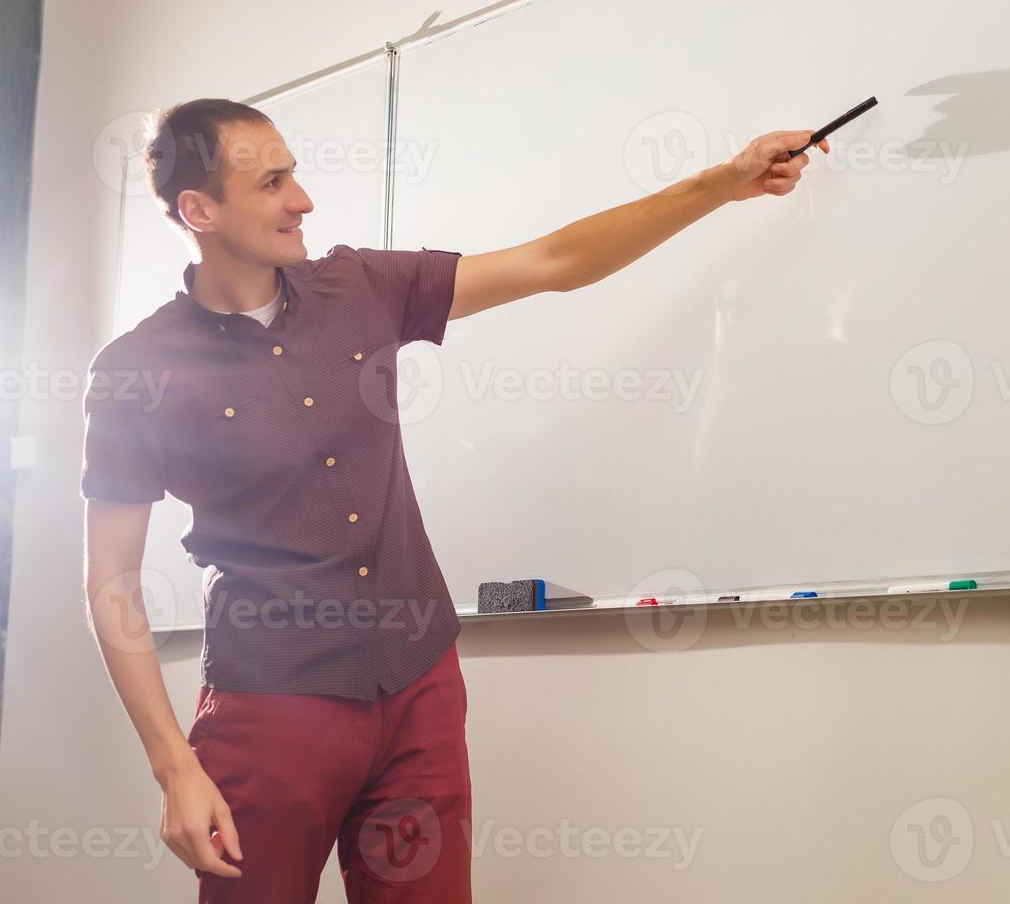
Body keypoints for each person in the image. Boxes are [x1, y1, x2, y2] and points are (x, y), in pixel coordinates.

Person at [79, 97, 828, 902]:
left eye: (294, 172)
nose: (302, 199)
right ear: (200, 210)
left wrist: (724, 181)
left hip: (417, 685)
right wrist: (174, 767)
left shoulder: (358, 284)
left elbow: (555, 261)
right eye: (271, 183)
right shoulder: (135, 372)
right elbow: (111, 580)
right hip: (271, 706)